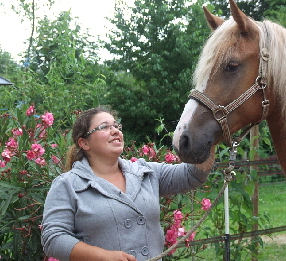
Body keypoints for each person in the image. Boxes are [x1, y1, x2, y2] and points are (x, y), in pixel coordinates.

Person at [41, 107, 215, 261]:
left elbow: (191, 174)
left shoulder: (146, 172)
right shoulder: (67, 185)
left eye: (116, 126)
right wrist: (102, 257)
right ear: (84, 143)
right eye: (104, 127)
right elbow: (53, 238)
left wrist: (212, 133)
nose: (115, 131)